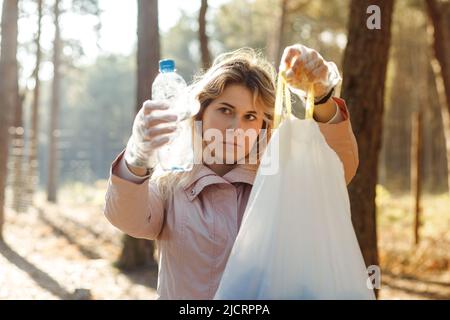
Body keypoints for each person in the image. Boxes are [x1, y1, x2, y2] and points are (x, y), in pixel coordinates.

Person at [104, 45, 359, 299]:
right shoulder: (172, 181)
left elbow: (337, 170)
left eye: (250, 116)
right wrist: (136, 156)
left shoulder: (276, 179)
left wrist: (322, 97)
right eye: (225, 110)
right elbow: (128, 218)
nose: (236, 128)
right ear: (201, 112)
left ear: (262, 126)